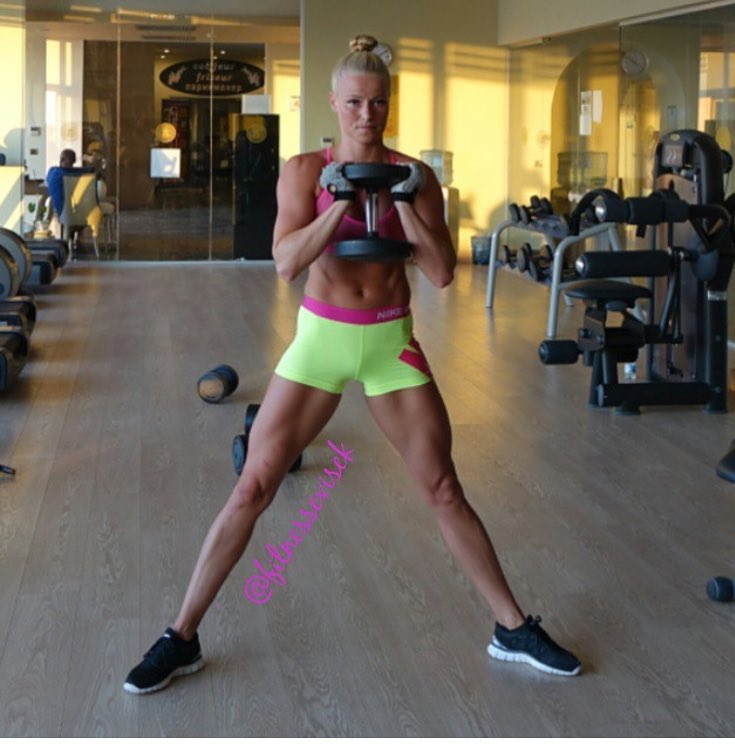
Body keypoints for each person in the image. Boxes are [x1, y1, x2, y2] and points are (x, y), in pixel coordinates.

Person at [123, 34, 581, 695]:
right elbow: (285, 263)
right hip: (322, 342)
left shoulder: (416, 176)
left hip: (391, 341)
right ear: (334, 103)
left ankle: (511, 627)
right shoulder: (303, 171)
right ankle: (182, 636)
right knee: (254, 486)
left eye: (379, 103)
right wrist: (339, 200)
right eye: (356, 103)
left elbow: (442, 273)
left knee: (443, 488)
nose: (368, 114)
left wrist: (402, 201)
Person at [45, 148, 76, 219]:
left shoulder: (54, 171)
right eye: (70, 162)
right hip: (63, 210)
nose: (72, 165)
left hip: (64, 209)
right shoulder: (58, 173)